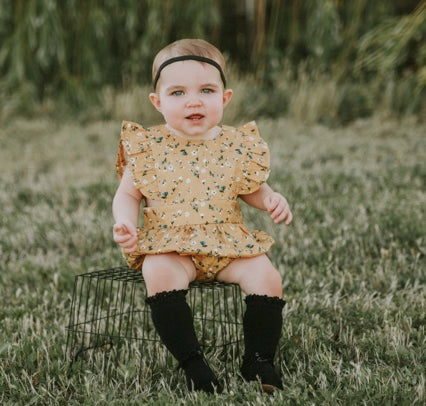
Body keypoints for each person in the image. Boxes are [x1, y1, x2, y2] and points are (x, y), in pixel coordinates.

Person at [113, 38, 293, 394]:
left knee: (267, 276)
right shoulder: (149, 147)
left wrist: (272, 198)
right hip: (173, 246)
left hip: (228, 244)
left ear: (224, 98)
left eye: (206, 90)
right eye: (178, 93)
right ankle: (194, 364)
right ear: (158, 102)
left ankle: (259, 361)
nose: (193, 101)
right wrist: (125, 223)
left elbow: (252, 187)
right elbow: (128, 193)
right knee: (157, 270)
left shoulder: (236, 144)